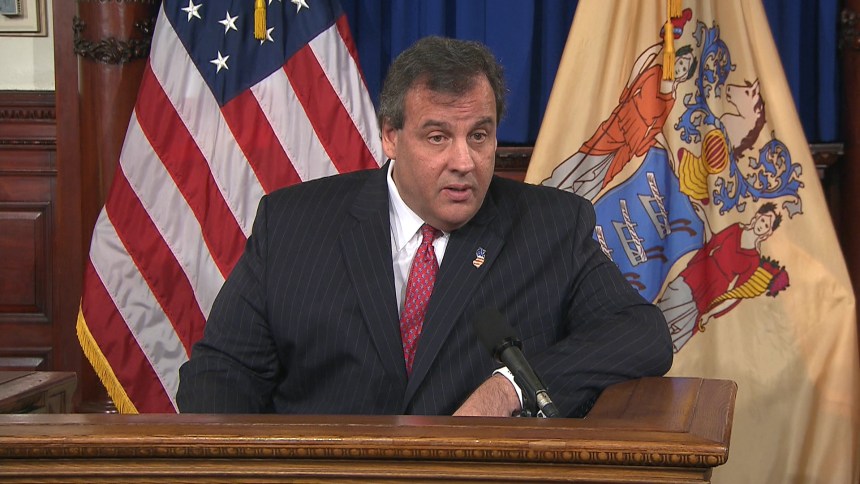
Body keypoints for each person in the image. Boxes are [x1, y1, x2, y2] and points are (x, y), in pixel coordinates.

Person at [177, 36, 672, 417]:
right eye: (438, 137)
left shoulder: (552, 228)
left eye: (479, 135)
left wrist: (511, 387)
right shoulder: (293, 225)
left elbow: (641, 335)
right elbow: (221, 372)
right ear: (390, 136)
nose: (464, 161)